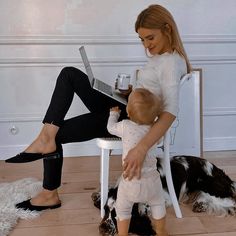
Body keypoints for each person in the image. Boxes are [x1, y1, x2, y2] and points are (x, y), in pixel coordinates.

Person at [5, 4, 191, 212]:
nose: (146, 45)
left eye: (150, 38)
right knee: (69, 75)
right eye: (142, 39)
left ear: (168, 29)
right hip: (126, 108)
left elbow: (169, 114)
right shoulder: (163, 58)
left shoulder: (170, 64)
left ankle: (49, 191)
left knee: (56, 134)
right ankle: (45, 139)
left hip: (130, 122)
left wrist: (141, 148)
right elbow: (154, 96)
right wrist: (130, 94)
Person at [107, 88, 168, 236]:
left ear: (128, 112)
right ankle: (161, 231)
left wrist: (114, 114)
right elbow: (159, 138)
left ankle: (122, 234)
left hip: (130, 181)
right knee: (158, 204)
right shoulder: (154, 130)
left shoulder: (125, 125)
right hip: (152, 181)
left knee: (123, 208)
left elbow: (110, 128)